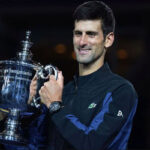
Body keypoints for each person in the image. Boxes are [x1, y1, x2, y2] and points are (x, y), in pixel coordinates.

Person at [30, 1, 138, 150]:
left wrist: (55, 106)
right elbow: (35, 145)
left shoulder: (121, 90)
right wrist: (28, 109)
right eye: (78, 33)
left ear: (108, 39)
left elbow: (91, 144)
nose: (82, 42)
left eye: (91, 34)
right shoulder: (64, 91)